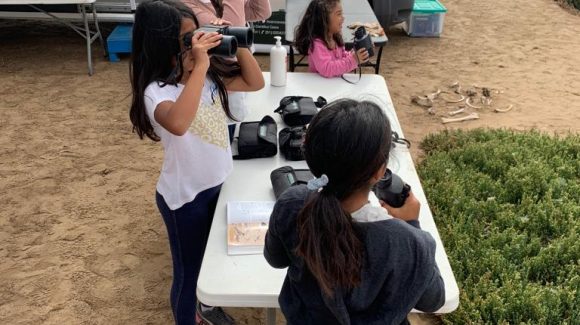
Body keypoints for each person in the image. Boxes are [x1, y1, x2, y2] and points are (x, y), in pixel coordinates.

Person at [129, 1, 264, 324]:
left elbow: (254, 82)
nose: (198, 45)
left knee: (211, 261)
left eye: (198, 36)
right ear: (163, 46)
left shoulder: (208, 75)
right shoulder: (156, 92)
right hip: (184, 199)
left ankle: (205, 309)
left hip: (217, 186)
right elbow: (177, 123)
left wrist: (236, 40)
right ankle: (189, 317)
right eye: (188, 40)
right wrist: (200, 67)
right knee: (189, 273)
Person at [264, 99, 445, 325]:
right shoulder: (409, 243)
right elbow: (433, 300)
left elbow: (276, 259)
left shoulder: (291, 204)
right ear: (380, 172)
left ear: (310, 157)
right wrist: (411, 225)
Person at [182, 0, 272, 142]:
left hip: (230, 82)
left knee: (226, 144)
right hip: (212, 88)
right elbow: (229, 35)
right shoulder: (187, 3)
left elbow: (260, 12)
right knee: (216, 141)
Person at [294, 0, 370, 78]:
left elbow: (343, 59)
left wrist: (358, 53)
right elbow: (327, 68)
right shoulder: (317, 44)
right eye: (339, 14)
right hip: (319, 87)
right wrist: (353, 60)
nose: (343, 18)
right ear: (324, 19)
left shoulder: (335, 38)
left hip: (334, 86)